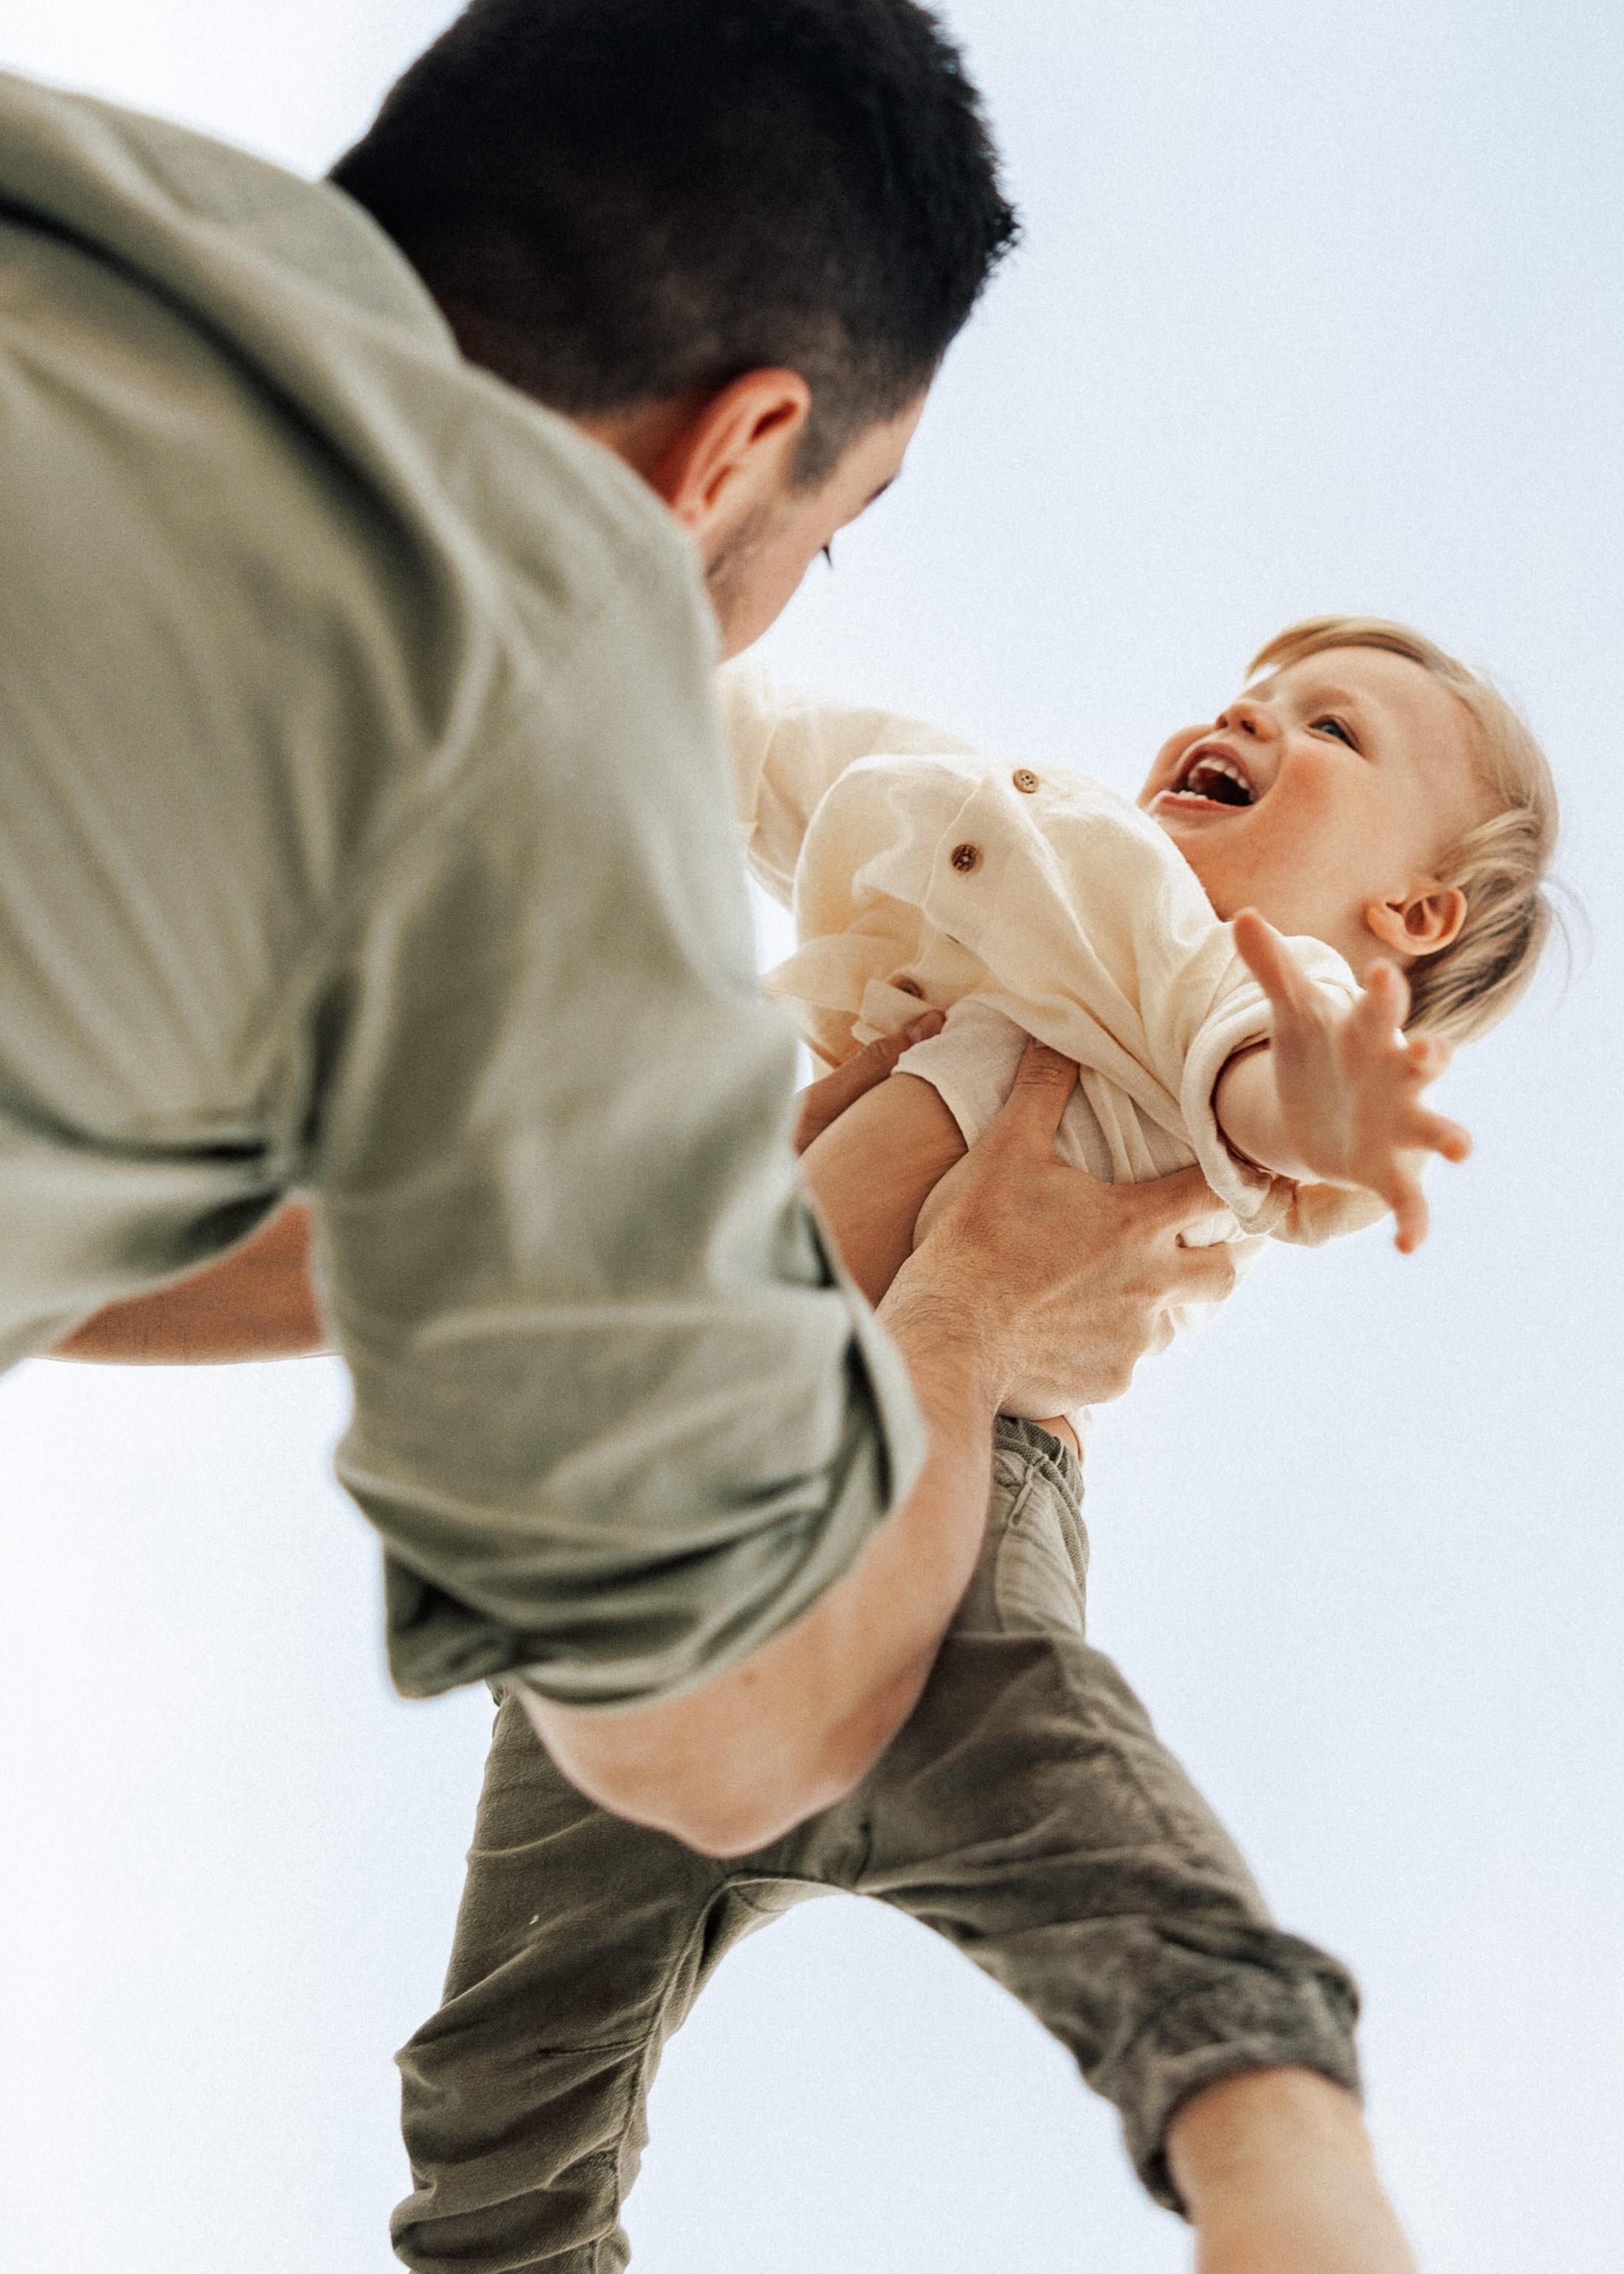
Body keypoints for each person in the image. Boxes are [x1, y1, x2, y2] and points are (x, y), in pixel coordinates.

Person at [370, 618, 1559, 2274]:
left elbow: (1256, 1079)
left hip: (943, 1462)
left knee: (1024, 1748)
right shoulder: (1000, 829)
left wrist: (1336, 1090)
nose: (1251, 717)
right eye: (1254, 680)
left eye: (1334, 729)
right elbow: (751, 741)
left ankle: (1266, 2118)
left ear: (1404, 914)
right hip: (665, 1516)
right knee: (501, 2078)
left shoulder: (1189, 970)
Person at [4, 0, 1232, 1853]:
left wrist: (497, 1219)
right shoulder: (546, 697)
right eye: (821, 540)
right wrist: (973, 1305)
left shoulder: (78, 192)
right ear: (732, 448)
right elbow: (720, 1738)